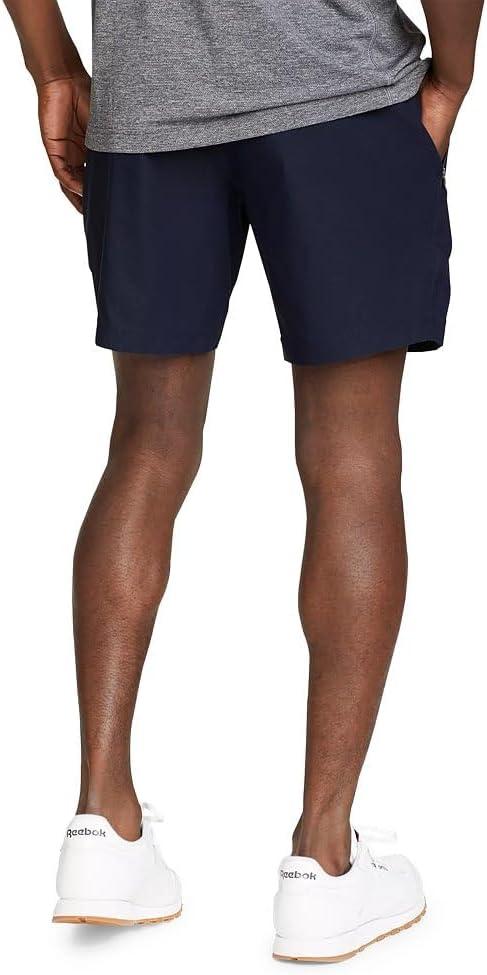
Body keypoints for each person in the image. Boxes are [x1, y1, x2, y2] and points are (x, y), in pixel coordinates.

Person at [4, 0, 484, 961]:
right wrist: (454, 70)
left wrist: (52, 64)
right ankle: (323, 858)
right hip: (342, 94)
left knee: (145, 444)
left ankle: (101, 822)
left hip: (149, 106)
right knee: (352, 458)